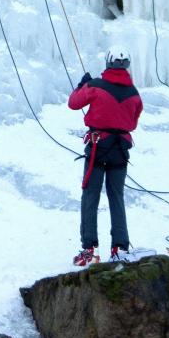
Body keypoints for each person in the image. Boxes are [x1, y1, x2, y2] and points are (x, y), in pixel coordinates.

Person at [68, 47, 143, 265]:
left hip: (98, 147)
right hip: (120, 151)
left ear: (108, 63)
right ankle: (119, 247)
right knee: (116, 197)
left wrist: (82, 85)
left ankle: (88, 249)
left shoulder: (96, 86)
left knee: (90, 196)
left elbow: (74, 103)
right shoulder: (134, 94)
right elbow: (133, 122)